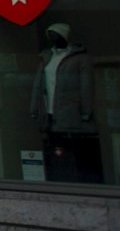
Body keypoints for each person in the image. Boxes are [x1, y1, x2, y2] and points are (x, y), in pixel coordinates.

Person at [31, 23, 99, 183]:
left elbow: (86, 87)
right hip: (49, 113)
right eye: (50, 35)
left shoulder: (80, 59)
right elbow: (38, 86)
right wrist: (35, 108)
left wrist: (85, 111)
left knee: (77, 154)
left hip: (72, 114)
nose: (53, 38)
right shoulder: (46, 57)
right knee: (57, 153)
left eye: (56, 34)